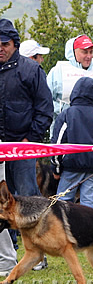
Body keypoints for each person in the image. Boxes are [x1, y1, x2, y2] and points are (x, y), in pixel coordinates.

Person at [0, 19, 53, 271]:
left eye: (5, 44)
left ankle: (38, 254)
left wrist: (29, 139)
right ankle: (8, 253)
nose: (0, 48)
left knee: (28, 199)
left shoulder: (31, 70)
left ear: (15, 44)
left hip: (22, 146)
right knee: (3, 202)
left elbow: (45, 110)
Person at [50, 77, 93, 208]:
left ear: (74, 93)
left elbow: (57, 146)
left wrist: (56, 169)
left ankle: (62, 228)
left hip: (70, 168)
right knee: (88, 205)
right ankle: (87, 228)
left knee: (62, 204)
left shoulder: (66, 115)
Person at [47, 34, 93, 120]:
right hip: (65, 125)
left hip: (92, 125)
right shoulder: (58, 72)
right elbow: (47, 100)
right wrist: (64, 110)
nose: (89, 56)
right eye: (84, 52)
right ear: (73, 52)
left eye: (91, 52)